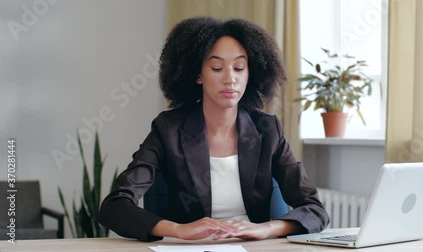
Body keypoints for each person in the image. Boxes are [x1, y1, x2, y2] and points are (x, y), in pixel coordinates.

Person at [99, 17, 329, 242]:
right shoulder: (168, 129)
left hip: (254, 247)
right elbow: (114, 206)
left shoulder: (267, 130)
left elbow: (314, 209)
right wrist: (178, 229)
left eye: (239, 68)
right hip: (189, 249)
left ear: (251, 74)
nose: (230, 79)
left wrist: (266, 229)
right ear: (198, 75)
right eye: (217, 67)